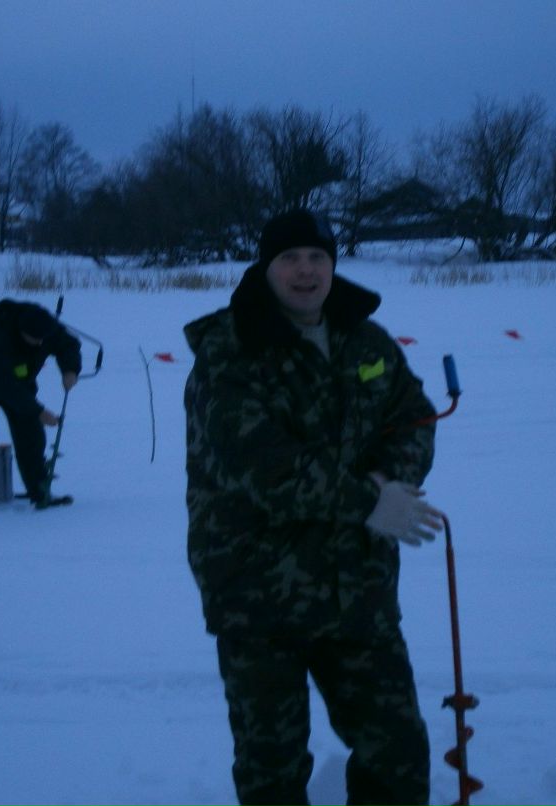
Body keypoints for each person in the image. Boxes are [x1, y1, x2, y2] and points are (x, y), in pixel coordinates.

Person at [184, 208, 445, 806]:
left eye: (317, 257)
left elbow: (414, 417)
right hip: (258, 590)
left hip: (358, 584)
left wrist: (389, 479)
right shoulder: (229, 351)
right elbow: (265, 467)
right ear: (266, 267)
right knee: (272, 765)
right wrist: (369, 501)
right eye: (290, 258)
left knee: (397, 748)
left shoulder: (366, 340)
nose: (306, 271)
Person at [0, 299, 81, 514]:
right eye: (35, 339)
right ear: (21, 331)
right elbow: (5, 386)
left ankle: (39, 490)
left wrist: (70, 370)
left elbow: (68, 345)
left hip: (20, 378)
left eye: (43, 339)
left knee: (31, 434)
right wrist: (38, 411)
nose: (40, 343)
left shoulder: (46, 328)